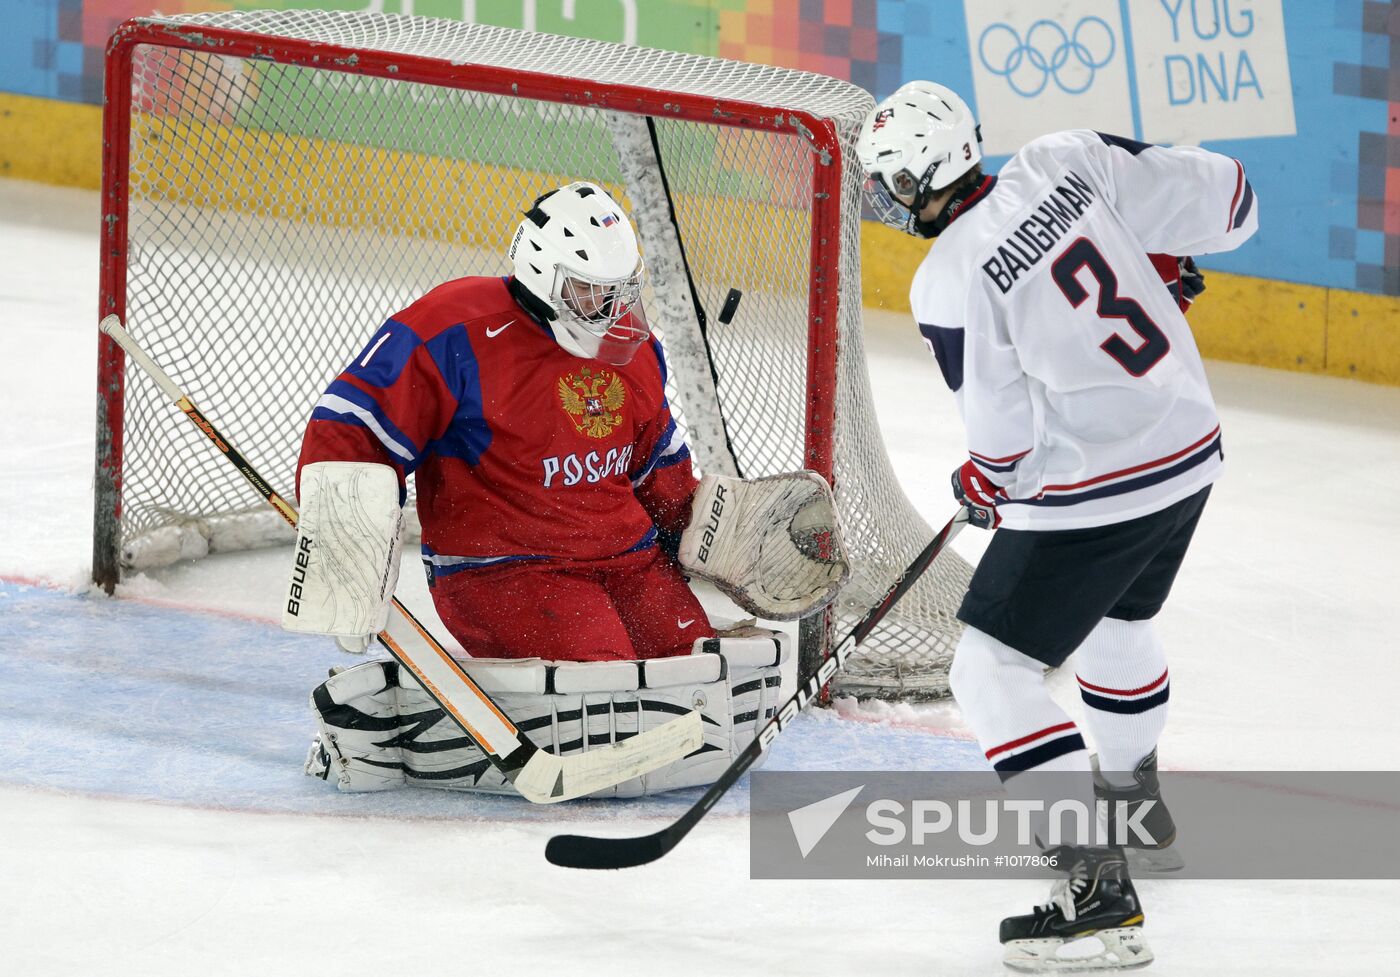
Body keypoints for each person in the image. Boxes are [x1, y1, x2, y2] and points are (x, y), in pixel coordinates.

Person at [857, 82, 1257, 971]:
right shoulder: (1064, 158)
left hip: (1104, 482)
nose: (884, 201)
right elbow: (1230, 198)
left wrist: (985, 481)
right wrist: (1157, 257)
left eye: (890, 182)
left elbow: (1004, 437)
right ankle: (1134, 812)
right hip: (1188, 447)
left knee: (987, 668)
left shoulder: (948, 276)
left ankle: (1096, 894)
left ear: (928, 174)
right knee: (1123, 622)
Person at [281, 181, 848, 796]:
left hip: (629, 563)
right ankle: (412, 731)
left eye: (621, 289)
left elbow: (656, 465)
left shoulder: (633, 349)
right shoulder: (455, 329)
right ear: (541, 276)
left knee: (697, 676)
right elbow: (350, 427)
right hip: (506, 572)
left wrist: (706, 526)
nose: (612, 308)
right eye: (591, 291)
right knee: (608, 694)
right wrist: (344, 540)